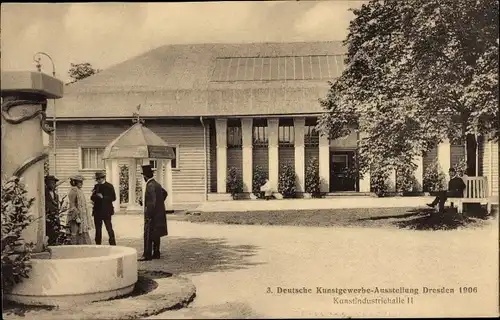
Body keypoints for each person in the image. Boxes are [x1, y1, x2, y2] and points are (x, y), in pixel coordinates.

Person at [139, 164, 168, 261]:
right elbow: (164, 193)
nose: (143, 177)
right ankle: (156, 253)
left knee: (147, 234)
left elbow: (152, 202)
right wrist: (160, 204)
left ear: (145, 176)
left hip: (151, 215)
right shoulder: (157, 184)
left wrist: (149, 214)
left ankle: (147, 255)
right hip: (158, 214)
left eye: (143, 175)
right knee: (156, 234)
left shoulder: (150, 185)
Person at [90, 171, 117, 245]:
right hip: (97, 211)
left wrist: (103, 198)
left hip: (106, 211)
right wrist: (96, 197)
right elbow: (92, 197)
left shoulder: (109, 186)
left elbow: (114, 198)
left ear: (103, 178)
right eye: (97, 179)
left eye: (99, 179)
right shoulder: (96, 186)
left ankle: (113, 244)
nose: (98, 180)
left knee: (109, 228)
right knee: (98, 230)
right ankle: (98, 244)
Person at [67, 175, 93, 245]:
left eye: (81, 182)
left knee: (83, 232)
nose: (81, 183)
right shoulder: (73, 191)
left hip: (82, 215)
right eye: (79, 182)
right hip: (75, 216)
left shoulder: (80, 191)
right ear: (75, 182)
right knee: (75, 232)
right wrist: (77, 217)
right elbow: (72, 205)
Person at [45, 175, 60, 245]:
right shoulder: (44, 193)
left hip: (55, 218)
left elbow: (57, 207)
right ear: (47, 183)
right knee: (49, 234)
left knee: (55, 234)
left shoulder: (56, 195)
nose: (54, 185)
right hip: (48, 218)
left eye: (54, 183)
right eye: (51, 183)